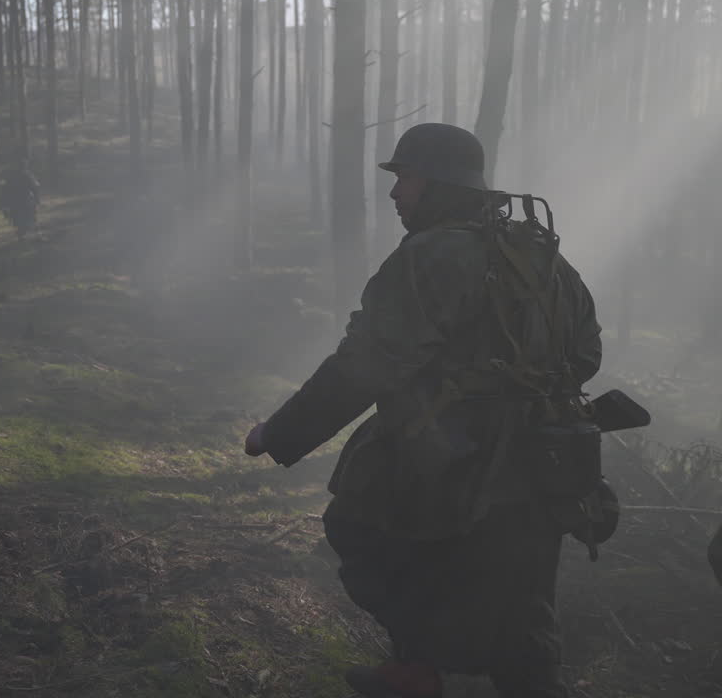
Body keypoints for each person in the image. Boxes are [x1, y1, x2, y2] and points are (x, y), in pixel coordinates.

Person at [244, 123, 603, 697]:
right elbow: (587, 354)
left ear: (435, 184)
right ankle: (416, 668)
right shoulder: (537, 252)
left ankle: (423, 663)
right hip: (547, 458)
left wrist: (278, 435)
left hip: (451, 461)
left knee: (358, 529)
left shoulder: (432, 255)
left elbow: (364, 365)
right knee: (523, 593)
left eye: (404, 179)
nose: (394, 193)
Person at [1, 157, 41, 239]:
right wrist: (37, 199)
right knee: (28, 217)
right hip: (24, 201)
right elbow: (35, 187)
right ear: (24, 166)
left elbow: (5, 191)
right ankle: (24, 232)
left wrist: (5, 204)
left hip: (16, 201)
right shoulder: (27, 175)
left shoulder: (11, 177)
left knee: (22, 218)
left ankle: (23, 233)